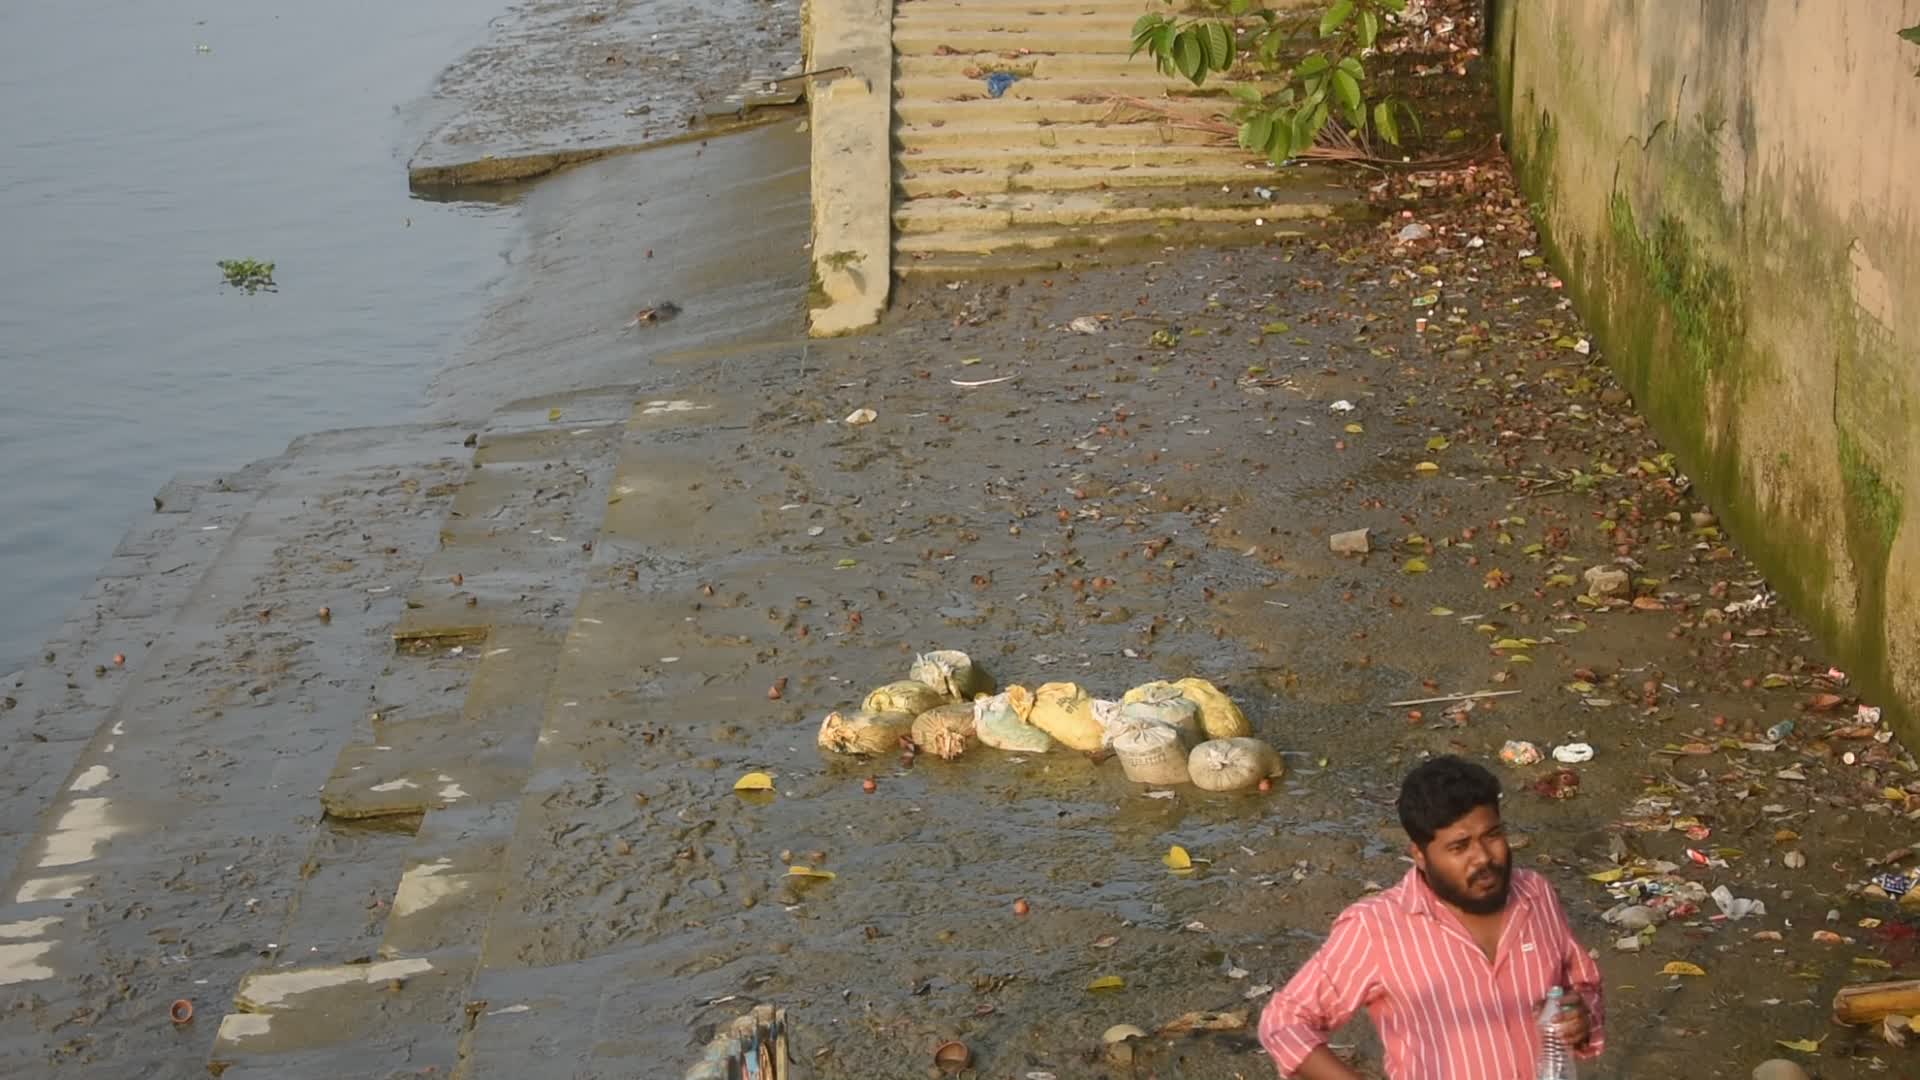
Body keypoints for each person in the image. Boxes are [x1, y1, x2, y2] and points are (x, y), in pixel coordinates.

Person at [1258, 756, 1605, 1079]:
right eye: (1459, 847)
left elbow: (1583, 985)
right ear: (1420, 856)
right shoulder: (1376, 928)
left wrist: (1582, 1017)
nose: (1483, 858)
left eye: (1492, 835)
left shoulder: (1536, 895)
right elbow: (1284, 1022)